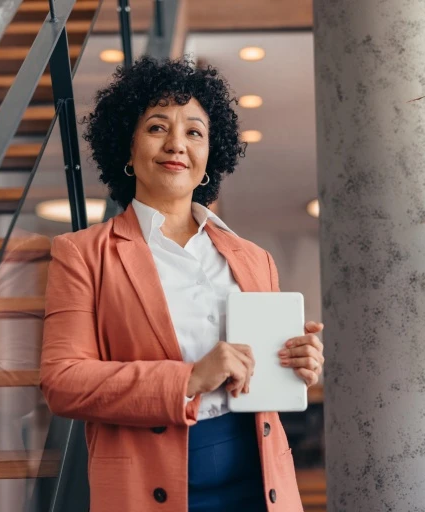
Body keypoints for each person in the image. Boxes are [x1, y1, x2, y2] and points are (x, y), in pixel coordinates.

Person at [39, 56, 325, 512]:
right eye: (156, 128)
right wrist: (188, 378)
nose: (177, 144)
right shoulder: (83, 254)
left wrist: (300, 363)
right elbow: (63, 381)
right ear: (127, 149)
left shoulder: (254, 258)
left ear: (210, 153)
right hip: (147, 489)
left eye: (194, 132)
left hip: (262, 484)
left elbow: (265, 376)